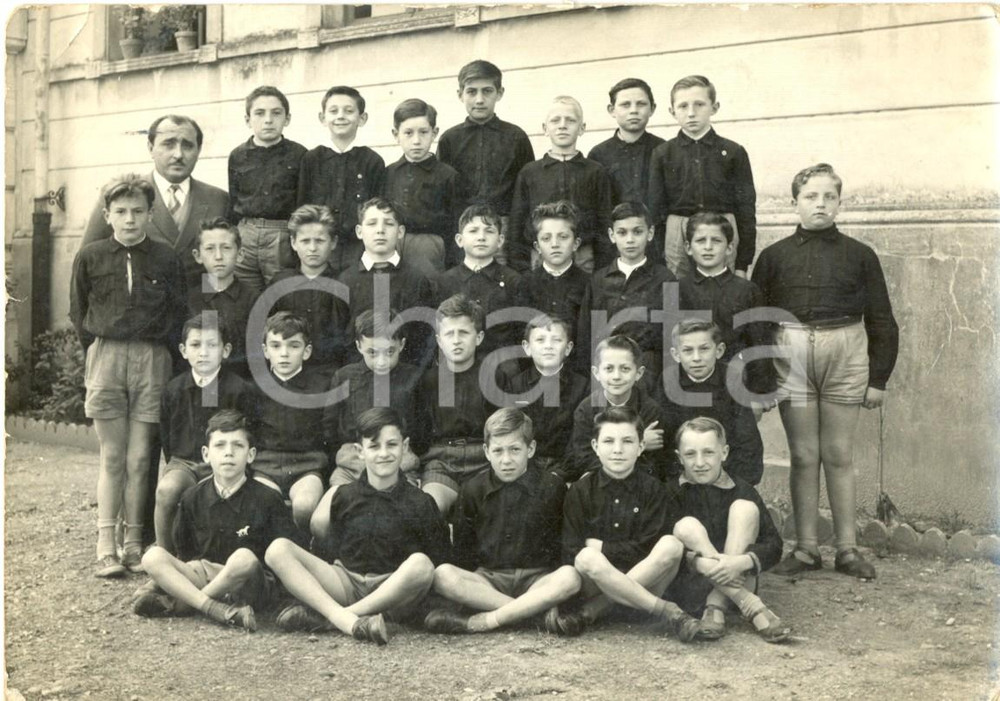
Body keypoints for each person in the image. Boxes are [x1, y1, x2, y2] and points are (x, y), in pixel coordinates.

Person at [752, 163, 898, 580]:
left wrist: (878, 379)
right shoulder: (774, 256)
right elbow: (759, 321)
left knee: (837, 453)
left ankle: (848, 549)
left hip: (845, 350)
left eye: (829, 197)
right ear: (794, 202)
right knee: (803, 454)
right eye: (811, 197)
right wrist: (762, 381)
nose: (820, 204)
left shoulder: (860, 255)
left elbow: (883, 319)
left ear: (839, 202)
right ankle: (806, 548)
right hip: (792, 351)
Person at [70, 174, 186, 577]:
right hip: (106, 355)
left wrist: (155, 352)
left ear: (150, 213)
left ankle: (135, 542)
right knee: (113, 456)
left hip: (152, 358)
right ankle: (106, 545)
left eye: (138, 211)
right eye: (120, 211)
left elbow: (177, 311)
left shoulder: (166, 257)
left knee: (141, 459)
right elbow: (78, 311)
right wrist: (103, 351)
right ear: (107, 215)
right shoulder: (91, 256)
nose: (130, 219)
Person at [265, 408, 449, 645]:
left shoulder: (421, 502)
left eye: (391, 445)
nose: (384, 453)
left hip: (392, 591)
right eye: (374, 446)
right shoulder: (343, 495)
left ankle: (335, 619)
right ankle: (345, 617)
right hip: (347, 581)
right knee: (278, 549)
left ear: (404, 447)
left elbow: (439, 559)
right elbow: (327, 548)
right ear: (360, 452)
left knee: (422, 565)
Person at [135, 410, 300, 631]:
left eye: (237, 446)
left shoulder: (267, 498)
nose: (228, 453)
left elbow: (283, 558)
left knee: (244, 558)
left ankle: (185, 604)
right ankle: (215, 608)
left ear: (251, 455)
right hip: (206, 575)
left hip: (248, 583)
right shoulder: (192, 497)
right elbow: (185, 552)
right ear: (206, 454)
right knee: (153, 556)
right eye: (220, 446)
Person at [549, 407, 702, 641]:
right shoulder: (580, 491)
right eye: (609, 441)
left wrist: (602, 547)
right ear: (595, 446)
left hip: (648, 582)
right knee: (586, 557)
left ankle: (594, 612)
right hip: (597, 584)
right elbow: (571, 552)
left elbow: (651, 547)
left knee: (671, 544)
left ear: (641, 447)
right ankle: (666, 610)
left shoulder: (653, 489)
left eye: (628, 441)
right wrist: (606, 555)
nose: (618, 450)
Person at [424, 409, 581, 634]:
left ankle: (487, 620)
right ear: (487, 452)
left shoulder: (551, 487)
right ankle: (531, 614)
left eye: (515, 450)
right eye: (498, 451)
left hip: (537, 580)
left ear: (531, 449)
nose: (506, 460)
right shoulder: (472, 489)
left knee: (570, 577)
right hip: (489, 581)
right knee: (442, 575)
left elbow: (562, 545)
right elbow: (463, 551)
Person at [669, 417, 788, 643]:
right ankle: (750, 605)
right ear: (679, 457)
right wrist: (701, 563)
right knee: (686, 526)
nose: (700, 462)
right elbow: (659, 544)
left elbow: (773, 545)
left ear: (724, 453)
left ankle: (717, 604)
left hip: (738, 574)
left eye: (709, 453)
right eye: (690, 454)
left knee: (745, 509)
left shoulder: (741, 489)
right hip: (693, 583)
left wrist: (739, 563)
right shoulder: (671, 492)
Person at [81, 115, 229, 289]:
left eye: (188, 146)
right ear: (151, 148)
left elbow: (219, 271)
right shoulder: (120, 194)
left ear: (199, 150)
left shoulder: (218, 199)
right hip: (139, 310)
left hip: (195, 310)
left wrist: (208, 314)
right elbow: (88, 260)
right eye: (168, 144)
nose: (178, 154)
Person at [155, 314, 257, 553]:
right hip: (186, 462)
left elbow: (249, 435)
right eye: (195, 345)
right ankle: (166, 559)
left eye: (212, 345)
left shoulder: (239, 389)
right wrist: (177, 464)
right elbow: (167, 438)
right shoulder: (174, 389)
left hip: (223, 461)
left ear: (226, 350)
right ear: (183, 350)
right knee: (167, 490)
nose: (203, 352)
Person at [648, 75, 757, 279]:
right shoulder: (663, 154)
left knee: (724, 291)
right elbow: (656, 210)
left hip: (722, 228)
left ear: (714, 108)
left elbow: (746, 210)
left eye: (699, 104)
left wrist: (743, 263)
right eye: (683, 106)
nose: (691, 113)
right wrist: (658, 260)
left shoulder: (733, 152)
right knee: (676, 293)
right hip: (677, 233)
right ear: (672, 112)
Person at [320, 309, 426, 489]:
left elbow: (423, 429)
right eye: (372, 352)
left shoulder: (414, 377)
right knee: (329, 513)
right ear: (359, 345)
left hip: (399, 464)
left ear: (401, 344)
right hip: (352, 464)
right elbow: (329, 427)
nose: (382, 361)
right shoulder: (344, 377)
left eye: (390, 351)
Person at [507, 96, 614, 273]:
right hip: (541, 256)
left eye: (570, 120)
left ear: (582, 128)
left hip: (583, 256)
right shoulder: (530, 172)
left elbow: (604, 222)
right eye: (555, 120)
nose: (562, 125)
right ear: (545, 128)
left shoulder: (595, 171)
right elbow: (518, 222)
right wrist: (521, 267)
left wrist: (602, 268)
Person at [436, 59, 535, 248]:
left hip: (504, 229)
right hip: (463, 228)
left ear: (500, 93)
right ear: (460, 95)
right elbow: (443, 193)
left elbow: (526, 192)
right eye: (471, 92)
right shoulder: (449, 139)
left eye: (487, 91)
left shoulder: (516, 137)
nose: (479, 100)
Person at [577, 201, 676, 385]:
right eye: (622, 233)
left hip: (647, 372)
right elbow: (585, 335)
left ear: (650, 233)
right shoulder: (598, 280)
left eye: (637, 232)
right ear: (612, 235)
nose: (630, 240)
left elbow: (670, 336)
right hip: (606, 371)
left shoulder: (665, 279)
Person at [677, 212, 774, 397]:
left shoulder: (747, 290)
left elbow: (759, 341)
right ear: (688, 248)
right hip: (689, 383)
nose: (708, 247)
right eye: (700, 241)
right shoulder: (677, 289)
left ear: (729, 248)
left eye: (716, 241)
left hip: (736, 381)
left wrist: (761, 391)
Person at [417, 295, 497, 514]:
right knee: (429, 508)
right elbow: (420, 432)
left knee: (488, 510)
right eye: (449, 334)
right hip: (442, 462)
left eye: (463, 332)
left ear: (479, 337)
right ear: (439, 340)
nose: (456, 340)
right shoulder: (428, 380)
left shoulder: (493, 377)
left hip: (483, 461)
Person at [661, 320, 765, 485]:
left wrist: (736, 483)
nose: (696, 358)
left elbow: (747, 439)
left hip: (724, 473)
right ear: (676, 354)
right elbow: (665, 439)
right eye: (687, 350)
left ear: (719, 350)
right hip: (683, 475)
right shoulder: (668, 381)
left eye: (704, 349)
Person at [337, 197, 435, 369]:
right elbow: (340, 338)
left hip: (404, 376)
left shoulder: (416, 279)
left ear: (400, 232)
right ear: (359, 231)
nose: (380, 230)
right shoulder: (346, 280)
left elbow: (424, 337)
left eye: (389, 224)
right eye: (372, 223)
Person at [252, 312, 329, 530]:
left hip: (307, 466)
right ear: (266, 351)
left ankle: (302, 553)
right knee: (261, 503)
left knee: (304, 505)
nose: (284, 354)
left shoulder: (321, 388)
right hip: (265, 467)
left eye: (293, 346)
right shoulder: (254, 389)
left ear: (306, 352)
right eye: (276, 346)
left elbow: (329, 435)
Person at [297, 86, 386, 273]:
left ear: (362, 118)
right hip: (321, 247)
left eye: (349, 111)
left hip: (358, 248)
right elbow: (302, 206)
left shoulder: (372, 161)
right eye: (333, 111)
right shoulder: (312, 159)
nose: (340, 116)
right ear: (322, 118)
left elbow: (378, 207)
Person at [228, 85, 308, 293]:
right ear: (248, 120)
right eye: (260, 113)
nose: (268, 120)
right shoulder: (237, 156)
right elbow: (233, 199)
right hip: (246, 234)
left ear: (287, 119)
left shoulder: (299, 155)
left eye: (276, 113)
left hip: (281, 235)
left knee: (281, 295)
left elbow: (303, 203)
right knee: (244, 296)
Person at [568, 335, 668, 483]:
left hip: (638, 481)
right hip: (600, 479)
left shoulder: (650, 409)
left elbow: (653, 464)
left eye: (625, 369)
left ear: (638, 373)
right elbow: (583, 459)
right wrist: (640, 443)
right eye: (609, 368)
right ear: (596, 373)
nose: (616, 376)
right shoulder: (586, 409)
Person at [504, 314, 589, 481]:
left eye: (556, 340)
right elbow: (512, 435)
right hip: (526, 469)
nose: (548, 346)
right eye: (540, 340)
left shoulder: (583, 386)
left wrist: (561, 473)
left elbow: (580, 439)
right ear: (527, 347)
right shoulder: (515, 386)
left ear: (568, 348)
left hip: (569, 470)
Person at [269, 204, 350, 374]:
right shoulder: (280, 283)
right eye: (305, 241)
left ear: (333, 242)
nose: (312, 248)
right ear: (293, 242)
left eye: (320, 241)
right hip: (288, 372)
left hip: (329, 372)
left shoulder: (344, 283)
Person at [384, 98, 462, 275]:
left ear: (434, 133)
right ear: (396, 135)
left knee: (427, 292)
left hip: (430, 248)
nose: (416, 141)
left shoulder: (447, 175)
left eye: (423, 132)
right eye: (408, 133)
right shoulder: (389, 173)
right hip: (392, 245)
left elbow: (455, 224)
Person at [434, 204, 523, 357]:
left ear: (500, 240)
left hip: (500, 367)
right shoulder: (445, 282)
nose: (481, 237)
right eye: (473, 231)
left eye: (489, 231)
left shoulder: (513, 281)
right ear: (459, 240)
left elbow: (519, 332)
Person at [516, 202, 590, 355]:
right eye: (546, 238)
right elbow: (519, 332)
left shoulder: (589, 284)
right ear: (537, 247)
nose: (555, 244)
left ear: (576, 243)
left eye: (563, 237)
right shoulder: (526, 283)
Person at [187, 218, 258, 376]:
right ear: (198, 256)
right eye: (210, 249)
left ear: (240, 255)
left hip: (241, 383)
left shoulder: (253, 298)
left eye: (226, 248)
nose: (218, 256)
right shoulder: (191, 299)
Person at [587, 78, 665, 211]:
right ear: (612, 110)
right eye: (625, 105)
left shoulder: (664, 149)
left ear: (652, 109)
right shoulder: (598, 154)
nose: (633, 110)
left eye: (641, 104)